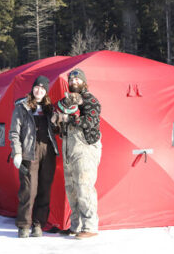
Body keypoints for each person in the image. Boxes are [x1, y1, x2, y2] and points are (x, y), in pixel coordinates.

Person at [9, 76, 59, 238]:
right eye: (37, 87)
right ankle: (24, 225)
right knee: (29, 190)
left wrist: (59, 120)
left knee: (45, 188)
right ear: (32, 89)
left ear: (46, 91)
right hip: (29, 152)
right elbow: (14, 132)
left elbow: (58, 130)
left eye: (43, 88)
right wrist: (16, 152)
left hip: (48, 151)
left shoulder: (50, 108)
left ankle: (38, 224)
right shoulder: (21, 107)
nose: (39, 91)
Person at [58, 68, 102, 239]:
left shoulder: (90, 99)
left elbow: (91, 121)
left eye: (77, 79)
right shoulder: (67, 101)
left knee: (84, 187)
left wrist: (69, 119)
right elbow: (58, 114)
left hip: (85, 147)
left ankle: (90, 226)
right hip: (69, 147)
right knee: (71, 188)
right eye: (71, 80)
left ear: (83, 81)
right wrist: (57, 119)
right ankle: (76, 225)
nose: (74, 82)